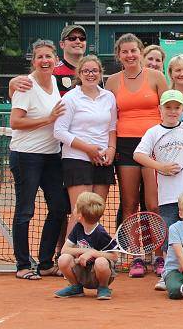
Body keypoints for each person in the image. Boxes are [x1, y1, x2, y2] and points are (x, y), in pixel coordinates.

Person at [133, 89, 183, 290]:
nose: (172, 111)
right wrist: (161, 167)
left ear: (182, 109)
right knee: (170, 237)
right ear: (160, 109)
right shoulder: (153, 132)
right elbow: (138, 155)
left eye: (177, 107)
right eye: (168, 107)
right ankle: (168, 274)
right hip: (168, 197)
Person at [106, 33, 168, 278]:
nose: (130, 55)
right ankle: (136, 257)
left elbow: (168, 108)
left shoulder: (156, 77)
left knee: (153, 205)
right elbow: (108, 116)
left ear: (141, 52)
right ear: (119, 55)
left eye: (133, 50)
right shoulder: (112, 81)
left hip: (153, 145)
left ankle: (159, 256)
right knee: (129, 204)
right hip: (125, 146)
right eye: (125, 52)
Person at [9, 40, 67, 281]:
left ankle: (45, 263)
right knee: (25, 210)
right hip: (26, 156)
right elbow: (15, 122)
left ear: (56, 60)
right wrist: (48, 119)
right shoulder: (25, 85)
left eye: (49, 56)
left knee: (59, 207)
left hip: (51, 156)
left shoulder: (53, 81)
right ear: (33, 61)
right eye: (40, 57)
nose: (45, 61)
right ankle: (23, 265)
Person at [53, 56, 116, 241]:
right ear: (79, 74)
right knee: (80, 212)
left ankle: (90, 253)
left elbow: (112, 127)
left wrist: (111, 149)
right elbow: (59, 131)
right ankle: (68, 253)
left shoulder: (109, 97)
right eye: (86, 71)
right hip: (76, 159)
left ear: (100, 73)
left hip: (103, 160)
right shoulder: (70, 98)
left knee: (95, 213)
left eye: (94, 71)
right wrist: (88, 149)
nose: (90, 74)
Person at [53, 192, 117, 300]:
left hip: (98, 274)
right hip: (81, 270)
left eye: (76, 207)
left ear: (80, 216)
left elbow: (114, 256)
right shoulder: (78, 227)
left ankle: (103, 287)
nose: (74, 209)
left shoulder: (100, 233)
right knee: (63, 259)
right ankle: (76, 287)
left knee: (101, 262)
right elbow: (64, 250)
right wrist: (85, 252)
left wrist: (92, 253)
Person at [8, 25, 86, 97]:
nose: (78, 41)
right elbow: (24, 94)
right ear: (62, 44)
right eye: (72, 38)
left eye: (82, 38)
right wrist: (12, 86)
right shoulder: (50, 71)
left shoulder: (92, 71)